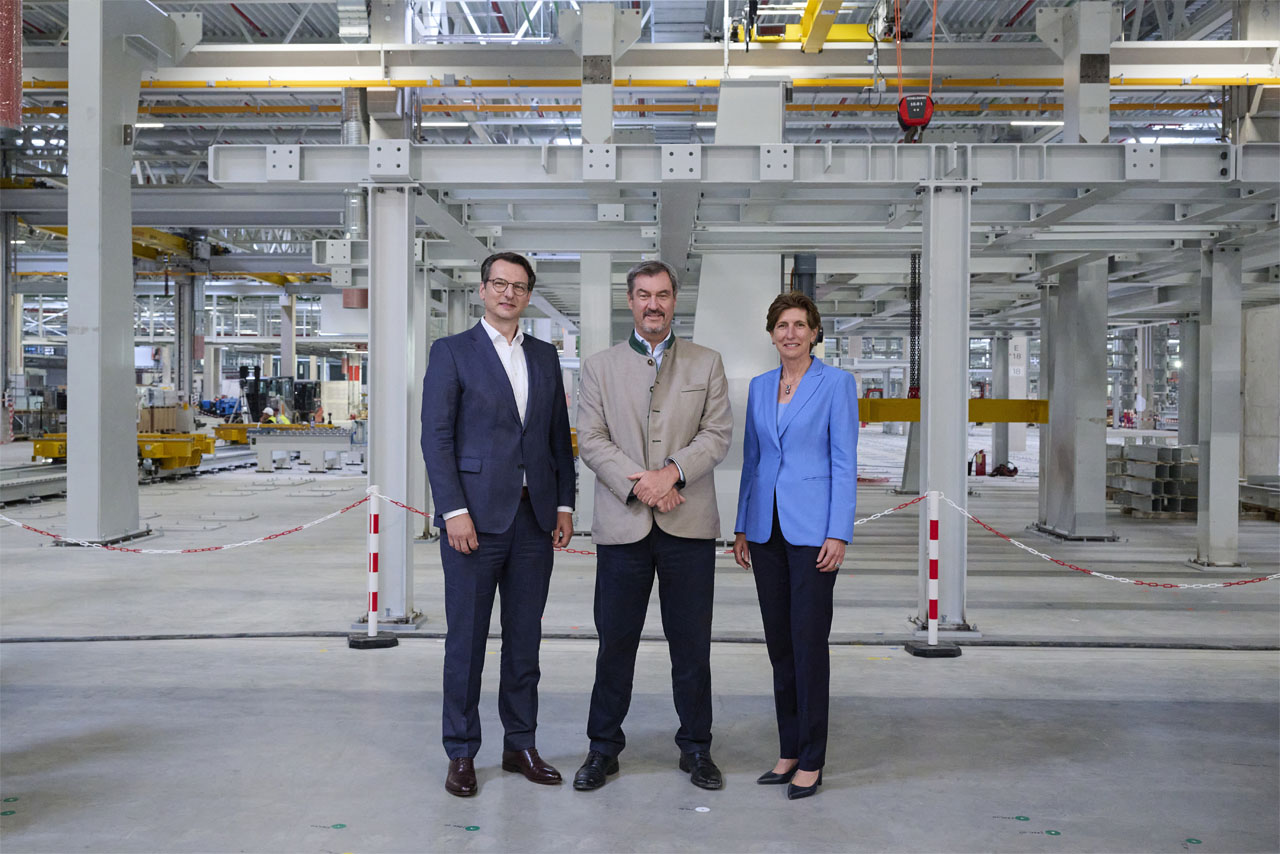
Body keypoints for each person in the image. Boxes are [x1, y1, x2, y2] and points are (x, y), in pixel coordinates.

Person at [572, 259, 733, 792]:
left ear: (674, 301)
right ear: (630, 301)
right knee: (615, 643)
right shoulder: (599, 367)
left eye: (662, 295)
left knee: (692, 646)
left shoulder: (706, 363)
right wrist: (642, 484)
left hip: (688, 525)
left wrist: (671, 474)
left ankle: (697, 748)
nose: (653, 304)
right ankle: (602, 748)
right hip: (624, 526)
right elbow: (591, 439)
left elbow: (716, 434)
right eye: (643, 295)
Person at [421, 251, 576, 798]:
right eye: (500, 284)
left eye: (519, 286)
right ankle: (461, 751)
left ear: (529, 295)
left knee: (525, 641)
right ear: (483, 290)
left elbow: (557, 437)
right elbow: (436, 438)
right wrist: (453, 511)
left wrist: (564, 505)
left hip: (534, 521)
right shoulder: (452, 352)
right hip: (474, 522)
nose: (509, 293)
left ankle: (520, 744)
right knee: (466, 642)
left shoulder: (544, 356)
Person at [732, 291, 858, 801]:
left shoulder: (837, 384)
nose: (791, 333)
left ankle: (812, 758)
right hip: (766, 531)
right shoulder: (760, 387)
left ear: (814, 332)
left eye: (800, 325)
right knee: (779, 646)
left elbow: (844, 462)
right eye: (782, 325)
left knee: (808, 645)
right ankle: (787, 749)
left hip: (813, 533)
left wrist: (839, 531)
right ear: (771, 334)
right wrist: (742, 525)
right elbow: (753, 460)